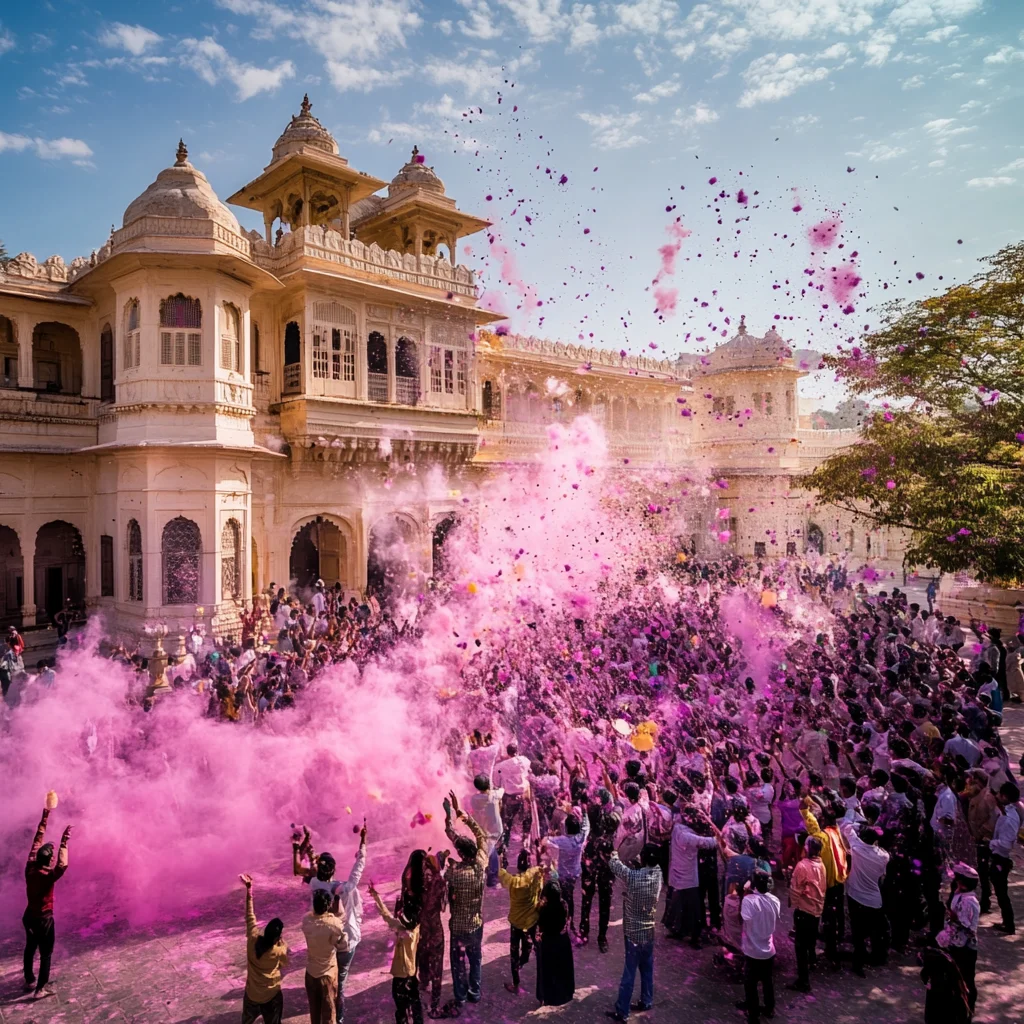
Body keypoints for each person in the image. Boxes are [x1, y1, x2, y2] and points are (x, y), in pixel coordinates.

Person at [293, 823, 367, 1024]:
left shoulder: (316, 884)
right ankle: (338, 1017)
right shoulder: (343, 888)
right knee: (340, 982)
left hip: (328, 943)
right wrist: (363, 842)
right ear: (333, 870)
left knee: (329, 979)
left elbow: (311, 870)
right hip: (346, 941)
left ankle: (329, 1012)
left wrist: (307, 848)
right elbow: (357, 870)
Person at [605, 844, 663, 1023]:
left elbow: (615, 866)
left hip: (633, 934)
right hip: (649, 932)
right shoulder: (658, 873)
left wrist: (614, 852)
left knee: (629, 973)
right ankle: (647, 1000)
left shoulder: (633, 877)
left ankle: (622, 1010)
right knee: (647, 970)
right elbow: (645, 869)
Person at [443, 792, 488, 1015]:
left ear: (459, 854)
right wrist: (463, 815)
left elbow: (442, 872)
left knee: (458, 963)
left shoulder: (454, 872)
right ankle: (475, 992)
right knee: (476, 958)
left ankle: (460, 996)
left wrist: (449, 816)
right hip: (476, 925)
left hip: (458, 928)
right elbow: (481, 837)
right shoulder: (480, 865)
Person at [23, 802, 71, 999]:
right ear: (49, 860)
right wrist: (64, 842)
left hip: (29, 917)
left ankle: (29, 980)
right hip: (44, 920)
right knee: (46, 953)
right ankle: (40, 989)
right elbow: (63, 864)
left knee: (29, 947)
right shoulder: (48, 875)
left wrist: (45, 815)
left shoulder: (30, 867)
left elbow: (37, 839)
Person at [664, 808, 721, 947]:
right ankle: (694, 938)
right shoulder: (688, 836)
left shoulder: (677, 828)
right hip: (688, 879)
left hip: (677, 877)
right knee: (694, 910)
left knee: (678, 906)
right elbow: (711, 842)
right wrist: (717, 833)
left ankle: (678, 931)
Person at [368, 881, 423, 1024]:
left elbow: (387, 917)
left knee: (401, 1010)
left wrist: (376, 897)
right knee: (416, 1007)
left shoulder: (403, 932)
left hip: (400, 976)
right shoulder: (416, 928)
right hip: (411, 975)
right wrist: (376, 897)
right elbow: (387, 916)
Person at [840, 822, 890, 976]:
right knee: (875, 930)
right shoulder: (883, 856)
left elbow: (846, 827)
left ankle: (858, 964)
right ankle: (876, 957)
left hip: (855, 896)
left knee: (858, 933)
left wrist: (858, 823)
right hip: (873, 900)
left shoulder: (856, 847)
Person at [240, 873, 288, 1024]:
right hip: (270, 996)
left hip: (252, 995)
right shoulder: (279, 950)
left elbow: (249, 915)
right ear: (277, 937)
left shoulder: (252, 939)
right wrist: (281, 943)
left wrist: (249, 890)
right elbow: (283, 963)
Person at [736, 871, 780, 1024]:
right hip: (768, 949)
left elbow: (742, 918)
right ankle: (769, 1008)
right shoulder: (775, 900)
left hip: (753, 951)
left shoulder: (749, 901)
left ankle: (753, 1014)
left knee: (750, 984)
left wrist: (744, 893)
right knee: (767, 981)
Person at [498, 848, 543, 995]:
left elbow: (500, 872)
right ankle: (542, 988)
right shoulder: (537, 873)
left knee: (514, 953)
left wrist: (501, 861)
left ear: (517, 866)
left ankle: (516, 983)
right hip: (532, 921)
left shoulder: (513, 881)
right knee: (533, 949)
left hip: (516, 923)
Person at [301, 888, 347, 1024]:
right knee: (328, 1016)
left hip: (310, 972)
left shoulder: (306, 920)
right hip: (327, 974)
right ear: (328, 905)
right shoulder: (334, 924)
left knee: (314, 1013)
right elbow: (343, 945)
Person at [788, 835, 825, 992]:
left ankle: (803, 981)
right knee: (810, 940)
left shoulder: (802, 866)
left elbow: (795, 890)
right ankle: (812, 961)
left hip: (804, 910)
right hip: (816, 910)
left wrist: (793, 904)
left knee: (800, 946)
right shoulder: (821, 865)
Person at [942, 863, 980, 1014]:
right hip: (956, 942)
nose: (955, 882)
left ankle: (968, 1009)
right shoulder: (960, 894)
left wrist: (953, 917)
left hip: (965, 948)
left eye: (958, 880)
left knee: (967, 979)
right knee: (955, 976)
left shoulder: (969, 901)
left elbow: (968, 926)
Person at [544, 809, 590, 934]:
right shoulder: (580, 838)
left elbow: (545, 842)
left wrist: (548, 837)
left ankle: (563, 922)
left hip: (562, 875)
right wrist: (584, 813)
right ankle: (570, 922)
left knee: (562, 897)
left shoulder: (562, 840)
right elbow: (587, 827)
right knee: (569, 897)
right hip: (574, 874)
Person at [535, 879, 575, 1007]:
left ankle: (546, 997)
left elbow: (541, 926)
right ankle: (564, 993)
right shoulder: (564, 905)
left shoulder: (544, 910)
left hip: (548, 942)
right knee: (562, 969)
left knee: (547, 971)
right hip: (562, 941)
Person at [989, 780, 1020, 935]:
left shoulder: (1009, 819)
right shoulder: (1008, 813)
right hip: (999, 856)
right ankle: (1007, 922)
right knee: (1001, 893)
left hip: (1001, 858)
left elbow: (1006, 844)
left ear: (1006, 796)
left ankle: (1009, 924)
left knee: (1002, 894)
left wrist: (991, 842)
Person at [468, 773, 504, 888]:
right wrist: (496, 787)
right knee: (490, 851)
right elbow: (502, 791)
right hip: (493, 828)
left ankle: (486, 876)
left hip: (481, 827)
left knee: (486, 849)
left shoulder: (474, 799)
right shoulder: (493, 796)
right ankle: (491, 879)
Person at [920, 947, 971, 1024]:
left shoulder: (931, 959)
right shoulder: (948, 962)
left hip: (937, 989)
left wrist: (927, 983)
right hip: (946, 990)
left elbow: (924, 974)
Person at [493, 743, 532, 840]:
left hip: (509, 798)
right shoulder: (525, 761)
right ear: (517, 751)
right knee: (525, 823)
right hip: (524, 797)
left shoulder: (500, 767)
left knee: (507, 825)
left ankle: (504, 845)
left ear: (507, 752)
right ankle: (525, 843)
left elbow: (496, 783)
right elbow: (527, 770)